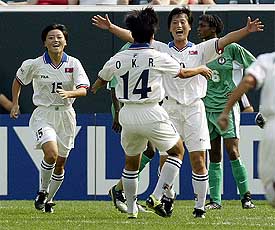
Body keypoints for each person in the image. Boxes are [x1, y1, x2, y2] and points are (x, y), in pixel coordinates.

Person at [92, 6, 263, 218]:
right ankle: (164, 198)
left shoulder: (201, 49)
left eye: (183, 21)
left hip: (194, 108)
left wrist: (246, 30)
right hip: (168, 107)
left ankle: (199, 207)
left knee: (199, 159)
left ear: (189, 26)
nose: (179, 25)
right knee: (167, 157)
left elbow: (226, 39)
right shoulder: (161, 49)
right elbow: (136, 36)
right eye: (174, 22)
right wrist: (111, 28)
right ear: (169, 28)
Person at [10, 23, 90, 213]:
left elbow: (83, 89)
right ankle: (42, 191)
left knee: (60, 163)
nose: (56, 40)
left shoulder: (74, 63)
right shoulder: (34, 64)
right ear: (45, 43)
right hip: (43, 114)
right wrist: (15, 103)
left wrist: (70, 94)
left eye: (59, 37)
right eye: (51, 37)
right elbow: (18, 81)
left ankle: (48, 199)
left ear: (66, 42)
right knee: (51, 154)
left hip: (66, 115)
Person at [197, 14, 256, 210]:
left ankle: (246, 197)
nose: (198, 29)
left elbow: (255, 67)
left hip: (226, 108)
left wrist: (239, 88)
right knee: (213, 154)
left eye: (202, 25)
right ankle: (215, 201)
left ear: (213, 29)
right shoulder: (199, 51)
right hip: (206, 108)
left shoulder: (231, 48)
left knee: (232, 151)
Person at [217, 51, 275, 208]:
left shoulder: (267, 60)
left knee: (271, 190)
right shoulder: (266, 60)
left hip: (272, 127)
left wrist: (226, 111)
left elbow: (248, 81)